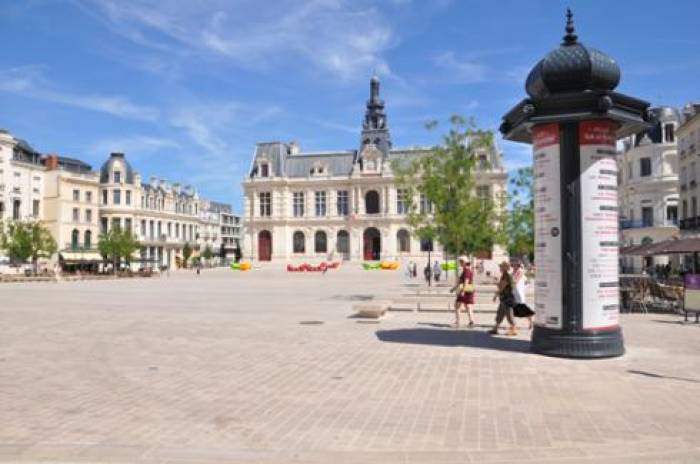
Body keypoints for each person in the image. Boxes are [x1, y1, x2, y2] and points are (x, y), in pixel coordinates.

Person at [489, 261, 517, 336]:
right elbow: (501, 285)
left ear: (505, 268)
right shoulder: (504, 275)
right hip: (504, 298)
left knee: (509, 314)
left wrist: (495, 295)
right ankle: (495, 329)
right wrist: (496, 282)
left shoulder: (506, 276)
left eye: (501, 266)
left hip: (507, 299)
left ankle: (513, 329)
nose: (500, 268)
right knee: (500, 314)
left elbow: (502, 287)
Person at [451, 256, 475, 328]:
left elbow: (466, 282)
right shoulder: (467, 270)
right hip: (470, 288)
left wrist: (463, 291)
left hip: (465, 288)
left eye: (461, 262)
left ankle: (458, 322)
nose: (460, 263)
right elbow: (460, 282)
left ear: (464, 263)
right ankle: (471, 321)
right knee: (468, 306)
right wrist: (454, 288)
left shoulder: (466, 271)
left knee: (457, 305)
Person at [511, 261, 533, 329]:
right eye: (512, 265)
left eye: (514, 265)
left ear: (518, 265)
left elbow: (515, 281)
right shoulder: (513, 272)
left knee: (522, 308)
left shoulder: (520, 271)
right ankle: (513, 325)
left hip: (519, 293)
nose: (513, 266)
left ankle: (531, 322)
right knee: (511, 309)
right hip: (514, 292)